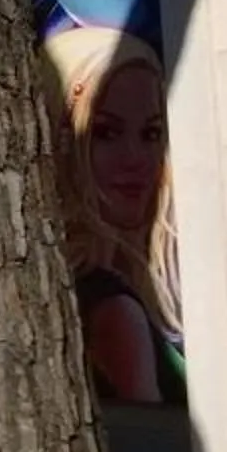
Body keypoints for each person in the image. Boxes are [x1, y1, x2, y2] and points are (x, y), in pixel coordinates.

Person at [41, 27, 184, 405]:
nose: (135, 159)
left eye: (151, 133)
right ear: (62, 140)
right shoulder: (115, 310)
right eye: (105, 132)